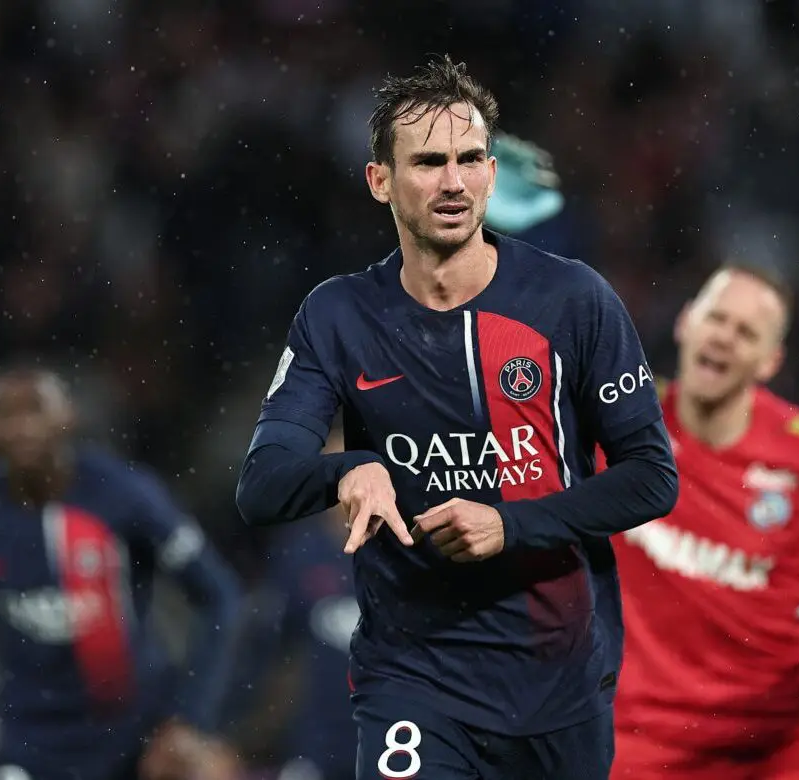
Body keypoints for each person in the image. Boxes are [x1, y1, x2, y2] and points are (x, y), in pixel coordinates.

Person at [236, 54, 679, 780]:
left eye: (471, 158)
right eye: (430, 161)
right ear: (380, 181)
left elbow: (651, 478)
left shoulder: (573, 301)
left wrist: (511, 524)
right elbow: (262, 483)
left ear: (493, 176)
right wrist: (351, 471)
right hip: (414, 678)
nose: (453, 181)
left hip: (559, 681)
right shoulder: (338, 315)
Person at [606, 266, 799, 779]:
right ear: (687, 322)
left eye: (747, 333)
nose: (725, 338)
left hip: (792, 737)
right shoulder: (610, 425)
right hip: (647, 742)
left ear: (770, 361)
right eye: (717, 318)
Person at [0, 364, 246, 780]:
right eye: (5, 414)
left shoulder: (126, 495)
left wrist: (191, 719)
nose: (22, 427)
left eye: (35, 410)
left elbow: (219, 594)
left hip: (134, 733)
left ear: (68, 415)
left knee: (211, 772)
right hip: (30, 740)